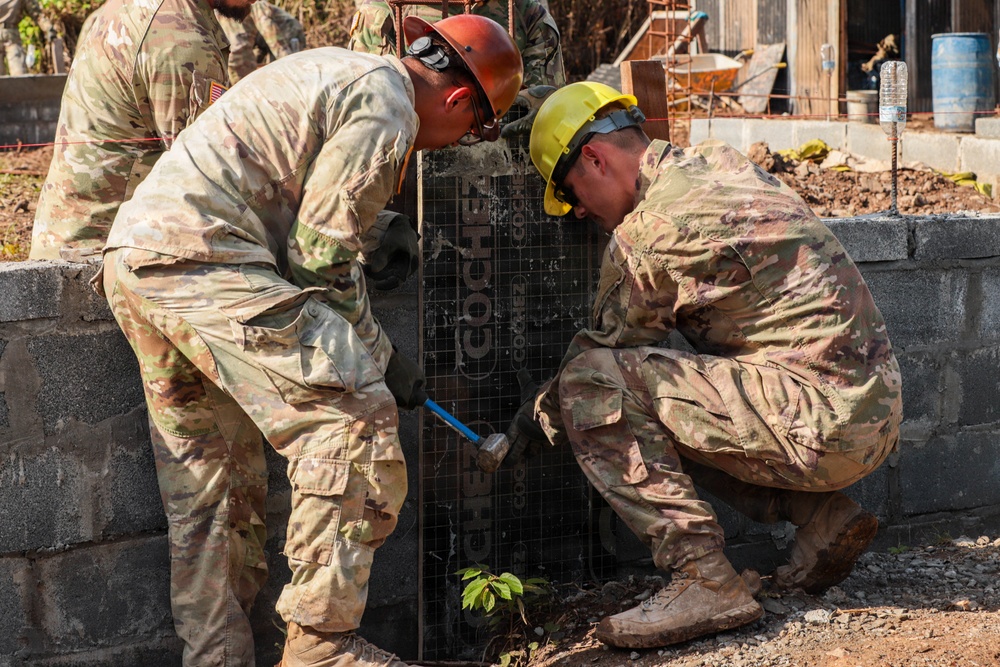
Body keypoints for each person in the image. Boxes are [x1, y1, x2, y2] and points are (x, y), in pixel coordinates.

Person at [99, 14, 522, 666]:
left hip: (140, 258)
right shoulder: (389, 106)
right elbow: (320, 261)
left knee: (216, 493)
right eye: (470, 130)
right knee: (353, 417)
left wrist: (373, 228)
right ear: (460, 99)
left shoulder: (340, 69)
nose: (453, 144)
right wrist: (384, 358)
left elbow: (282, 180)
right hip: (205, 259)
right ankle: (322, 646)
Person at [516, 81, 903, 650]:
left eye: (571, 192)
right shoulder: (717, 162)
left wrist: (534, 417)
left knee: (593, 384)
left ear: (595, 159)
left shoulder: (652, 231)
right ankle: (821, 517)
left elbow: (606, 351)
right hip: (872, 412)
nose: (577, 211)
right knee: (675, 402)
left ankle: (704, 580)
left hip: (820, 422)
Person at [28, 0, 246, 261]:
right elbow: (207, 181)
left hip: (68, 237)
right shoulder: (181, 37)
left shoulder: (147, 7)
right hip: (103, 254)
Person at [348, 0, 564, 136]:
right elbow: (371, 109)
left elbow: (542, 107)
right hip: (410, 156)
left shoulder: (526, 12)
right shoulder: (381, 12)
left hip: (501, 158)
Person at [218, 1, 306, 83]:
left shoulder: (258, 8)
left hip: (289, 33)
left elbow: (272, 35)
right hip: (262, 41)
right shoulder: (229, 15)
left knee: (283, 72)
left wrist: (290, 67)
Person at [0, 0, 55, 75]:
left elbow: (36, 13)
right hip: (11, 34)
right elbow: (37, 14)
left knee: (19, 73)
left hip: (11, 35)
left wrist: (48, 28)